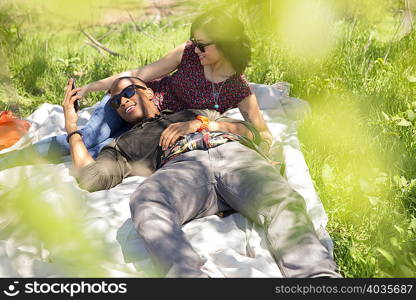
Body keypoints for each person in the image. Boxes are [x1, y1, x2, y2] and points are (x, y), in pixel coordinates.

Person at [65, 76, 340, 278]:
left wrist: (203, 123)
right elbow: (91, 177)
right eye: (115, 101)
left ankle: (316, 277)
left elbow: (250, 132)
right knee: (146, 200)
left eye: (127, 91)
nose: (122, 101)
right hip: (182, 166)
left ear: (147, 92)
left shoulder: (191, 112)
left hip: (232, 152)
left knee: (281, 199)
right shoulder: (124, 142)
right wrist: (71, 127)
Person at [0, 8, 272, 167]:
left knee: (100, 152)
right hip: (130, 101)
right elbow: (139, 75)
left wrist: (266, 152)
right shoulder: (187, 53)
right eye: (194, 41)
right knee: (88, 138)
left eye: (203, 45)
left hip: (152, 128)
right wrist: (91, 87)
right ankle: (9, 162)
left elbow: (262, 132)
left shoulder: (237, 88)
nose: (195, 48)